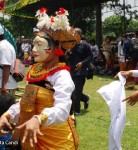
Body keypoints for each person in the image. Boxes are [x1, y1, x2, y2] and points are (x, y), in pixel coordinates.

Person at [0, 7, 79, 150]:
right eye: (34, 44)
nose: (33, 50)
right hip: (30, 137)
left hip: (56, 141)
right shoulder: (36, 70)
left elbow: (62, 109)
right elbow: (26, 101)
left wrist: (38, 118)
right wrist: (7, 114)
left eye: (40, 45)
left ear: (57, 48)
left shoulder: (61, 76)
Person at [66, 28, 92, 115]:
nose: (73, 35)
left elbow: (90, 57)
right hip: (70, 70)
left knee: (76, 91)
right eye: (72, 33)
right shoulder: (69, 45)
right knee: (71, 90)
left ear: (80, 35)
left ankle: (76, 110)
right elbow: (67, 57)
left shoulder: (85, 45)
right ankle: (85, 99)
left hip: (81, 71)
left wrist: (82, 63)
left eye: (75, 34)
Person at [0, 24, 18, 95]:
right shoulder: (3, 45)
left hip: (5, 86)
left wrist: (4, 85)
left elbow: (7, 66)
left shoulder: (3, 46)